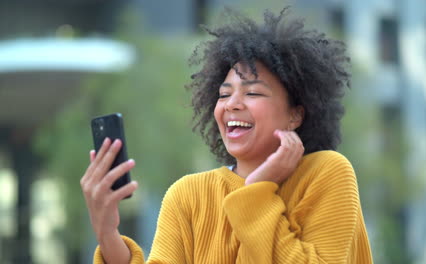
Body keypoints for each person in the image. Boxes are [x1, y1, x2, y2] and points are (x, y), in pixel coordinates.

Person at [80, 7, 373, 264]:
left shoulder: (326, 173)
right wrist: (106, 233)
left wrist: (257, 189)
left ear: (295, 113)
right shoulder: (187, 195)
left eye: (253, 92)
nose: (232, 104)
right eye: (224, 94)